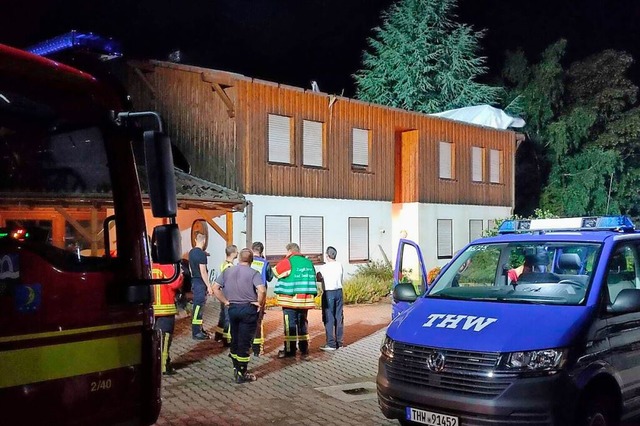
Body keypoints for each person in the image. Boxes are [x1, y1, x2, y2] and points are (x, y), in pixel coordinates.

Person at [213, 248, 266, 383]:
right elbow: (262, 290)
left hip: (233, 308)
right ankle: (242, 373)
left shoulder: (228, 271)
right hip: (248, 309)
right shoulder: (254, 273)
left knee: (235, 338)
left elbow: (215, 288)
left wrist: (225, 301)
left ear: (239, 258)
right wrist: (259, 303)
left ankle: (236, 368)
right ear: (251, 260)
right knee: (245, 341)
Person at [273, 242, 318, 359]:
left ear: (290, 251)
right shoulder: (309, 263)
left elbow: (276, 272)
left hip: (290, 301)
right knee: (303, 324)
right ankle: (304, 349)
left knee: (290, 325)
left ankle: (290, 350)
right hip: (304, 301)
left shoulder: (288, 261)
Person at [151, 263, 184, 375]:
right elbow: (175, 283)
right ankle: (164, 366)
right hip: (165, 307)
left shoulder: (145, 264)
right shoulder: (165, 266)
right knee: (165, 337)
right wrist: (180, 274)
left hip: (149, 307)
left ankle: (155, 363)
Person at [317, 246, 343, 351]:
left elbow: (318, 277)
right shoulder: (339, 265)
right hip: (339, 292)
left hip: (328, 293)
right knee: (339, 317)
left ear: (327, 255)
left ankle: (331, 343)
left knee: (329, 318)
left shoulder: (324, 267)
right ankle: (339, 342)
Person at [250, 241, 274, 356]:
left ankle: (246, 345)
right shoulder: (265, 263)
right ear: (262, 251)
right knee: (258, 321)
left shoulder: (248, 261)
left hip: (248, 293)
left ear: (252, 249)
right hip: (260, 294)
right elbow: (269, 278)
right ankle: (257, 349)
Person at [189, 232, 214, 340]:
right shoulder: (202, 254)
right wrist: (208, 286)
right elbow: (203, 272)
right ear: (204, 241)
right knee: (199, 307)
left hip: (194, 280)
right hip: (200, 282)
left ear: (195, 240)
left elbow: (191, 268)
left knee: (197, 306)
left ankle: (199, 328)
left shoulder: (191, 252)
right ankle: (196, 332)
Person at [214, 245, 238, 345]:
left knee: (223, 315)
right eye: (237, 252)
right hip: (229, 294)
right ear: (233, 253)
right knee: (229, 317)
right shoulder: (230, 267)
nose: (238, 253)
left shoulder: (224, 264)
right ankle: (227, 339)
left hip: (223, 292)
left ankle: (218, 335)